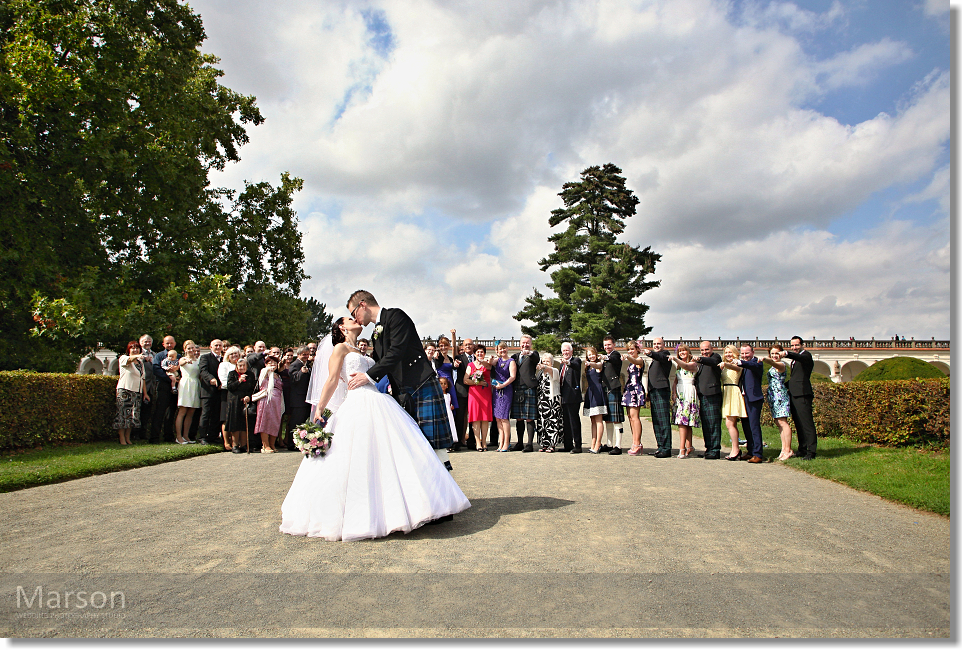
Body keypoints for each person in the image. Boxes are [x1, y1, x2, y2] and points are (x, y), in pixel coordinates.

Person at [280, 317, 470, 540]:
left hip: (380, 401)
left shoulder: (363, 352)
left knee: (394, 455)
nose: (356, 320)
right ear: (342, 327)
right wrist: (320, 409)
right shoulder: (340, 348)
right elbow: (332, 379)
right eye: (350, 319)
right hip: (357, 403)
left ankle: (402, 508)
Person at [346, 290, 456, 476]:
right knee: (413, 443)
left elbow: (396, 351)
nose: (355, 319)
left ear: (363, 305)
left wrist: (368, 376)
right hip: (402, 392)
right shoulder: (376, 332)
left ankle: (447, 491)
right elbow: (380, 360)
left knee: (432, 440)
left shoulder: (395, 316)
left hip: (421, 384)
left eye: (353, 313)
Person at [785, 336, 818, 460]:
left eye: (796, 345)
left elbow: (799, 357)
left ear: (803, 345)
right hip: (794, 393)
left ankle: (811, 451)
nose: (794, 348)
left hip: (803, 394)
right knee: (798, 423)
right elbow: (795, 378)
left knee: (807, 423)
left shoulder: (806, 356)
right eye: (792, 346)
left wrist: (787, 354)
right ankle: (802, 448)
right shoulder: (794, 360)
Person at [641, 337, 673, 458]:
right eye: (654, 344)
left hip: (661, 390)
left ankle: (667, 448)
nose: (656, 345)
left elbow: (660, 357)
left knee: (663, 420)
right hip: (654, 391)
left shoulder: (665, 354)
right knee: (656, 420)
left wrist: (649, 353)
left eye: (659, 344)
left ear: (663, 345)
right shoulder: (655, 359)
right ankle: (660, 446)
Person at [734, 344, 764, 463]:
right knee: (746, 426)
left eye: (747, 353)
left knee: (754, 426)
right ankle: (751, 451)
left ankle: (758, 453)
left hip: (754, 399)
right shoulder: (745, 364)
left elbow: (752, 365)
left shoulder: (757, 362)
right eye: (743, 353)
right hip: (745, 398)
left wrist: (741, 362)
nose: (745, 356)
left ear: (753, 352)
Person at [763, 345, 794, 460]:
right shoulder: (774, 366)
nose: (775, 355)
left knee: (783, 422)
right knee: (778, 422)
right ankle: (784, 448)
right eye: (772, 353)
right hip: (773, 396)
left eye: (777, 353)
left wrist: (766, 360)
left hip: (780, 395)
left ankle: (788, 449)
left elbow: (775, 364)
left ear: (781, 354)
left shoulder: (781, 364)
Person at [693, 341, 723, 460]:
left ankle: (715, 450)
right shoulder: (703, 363)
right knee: (706, 424)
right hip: (703, 395)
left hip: (712, 395)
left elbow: (713, 362)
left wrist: (700, 359)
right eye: (702, 350)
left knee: (713, 423)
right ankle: (709, 448)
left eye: (707, 350)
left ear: (712, 349)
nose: (704, 352)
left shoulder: (715, 357)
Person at [510, 335, 540, 452]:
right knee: (518, 418)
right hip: (517, 388)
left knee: (529, 418)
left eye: (527, 343)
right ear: (519, 344)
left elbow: (536, 358)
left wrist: (530, 353)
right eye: (523, 343)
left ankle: (529, 444)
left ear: (531, 344)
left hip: (529, 388)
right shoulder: (515, 357)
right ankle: (520, 442)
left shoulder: (533, 355)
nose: (525, 345)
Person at [114, 341, 148, 445]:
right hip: (125, 390)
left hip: (136, 392)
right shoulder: (123, 358)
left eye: (137, 348)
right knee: (123, 415)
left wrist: (145, 393)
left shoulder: (140, 363)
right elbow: (129, 360)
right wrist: (138, 355)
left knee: (132, 416)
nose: (135, 350)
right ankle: (122, 438)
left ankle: (128, 438)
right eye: (132, 348)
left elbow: (143, 379)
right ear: (128, 350)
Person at [669, 344, 700, 459]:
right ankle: (689, 446)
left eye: (683, 351)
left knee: (683, 421)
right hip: (680, 393)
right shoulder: (678, 367)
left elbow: (686, 366)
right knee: (684, 422)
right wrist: (674, 393)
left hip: (689, 392)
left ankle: (682, 449)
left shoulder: (692, 363)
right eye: (679, 351)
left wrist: (675, 359)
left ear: (688, 352)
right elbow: (675, 381)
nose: (681, 353)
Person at [719, 345, 747, 460]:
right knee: (730, 423)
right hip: (726, 391)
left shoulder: (737, 364)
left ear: (735, 353)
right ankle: (735, 448)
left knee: (730, 423)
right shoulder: (725, 366)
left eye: (730, 352)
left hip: (733, 391)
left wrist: (725, 364)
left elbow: (736, 369)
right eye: (726, 352)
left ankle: (736, 449)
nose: (728, 354)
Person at [465, 344, 494, 451]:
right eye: (478, 352)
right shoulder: (470, 365)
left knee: (485, 418)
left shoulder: (487, 365)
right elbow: (465, 380)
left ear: (484, 353)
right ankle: (478, 442)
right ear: (475, 354)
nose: (480, 354)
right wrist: (477, 382)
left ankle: (484, 442)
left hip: (485, 393)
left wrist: (485, 361)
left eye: (482, 352)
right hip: (474, 394)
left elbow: (490, 365)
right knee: (476, 418)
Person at [600, 336, 625, 455]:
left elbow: (614, 359)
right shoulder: (606, 358)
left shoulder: (615, 355)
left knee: (616, 418)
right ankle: (609, 444)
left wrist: (605, 357)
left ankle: (618, 445)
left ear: (614, 344)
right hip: (606, 388)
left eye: (609, 345)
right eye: (605, 345)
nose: (607, 347)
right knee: (608, 419)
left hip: (613, 388)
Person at [254, 355, 285, 453]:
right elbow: (260, 382)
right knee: (265, 421)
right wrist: (268, 369)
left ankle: (272, 444)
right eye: (270, 362)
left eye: (275, 363)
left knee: (275, 422)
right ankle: (265, 445)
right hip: (266, 401)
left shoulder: (278, 375)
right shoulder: (264, 372)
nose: (272, 365)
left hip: (277, 401)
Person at [151, 335, 178, 443]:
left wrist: (177, 378)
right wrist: (169, 378)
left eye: (171, 343)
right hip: (163, 385)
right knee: (160, 412)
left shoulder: (178, 355)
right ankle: (154, 437)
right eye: (167, 343)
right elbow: (156, 369)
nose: (170, 345)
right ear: (163, 344)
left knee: (171, 413)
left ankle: (169, 436)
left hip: (175, 387)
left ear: (175, 343)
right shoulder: (159, 356)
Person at [173, 340, 201, 444]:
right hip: (186, 384)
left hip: (195, 384)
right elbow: (181, 363)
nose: (191, 350)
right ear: (185, 349)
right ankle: (178, 436)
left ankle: (186, 435)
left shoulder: (198, 360)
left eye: (193, 348)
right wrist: (186, 361)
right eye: (189, 348)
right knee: (183, 411)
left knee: (191, 412)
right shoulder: (183, 359)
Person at [225, 355, 255, 453]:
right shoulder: (232, 374)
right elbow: (230, 387)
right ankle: (235, 445)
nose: (242, 368)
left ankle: (243, 445)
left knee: (244, 424)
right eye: (239, 366)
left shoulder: (250, 374)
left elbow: (252, 388)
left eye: (243, 365)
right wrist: (239, 381)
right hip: (234, 401)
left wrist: (249, 396)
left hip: (245, 401)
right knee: (235, 424)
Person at [621, 340, 647, 456]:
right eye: (629, 349)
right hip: (629, 389)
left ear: (637, 349)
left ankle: (638, 443)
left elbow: (635, 360)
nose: (630, 351)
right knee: (630, 417)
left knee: (635, 417)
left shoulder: (639, 360)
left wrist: (628, 357)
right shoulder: (631, 362)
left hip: (636, 389)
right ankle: (634, 442)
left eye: (632, 349)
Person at [490, 342, 516, 452]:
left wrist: (503, 385)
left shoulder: (511, 361)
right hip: (497, 391)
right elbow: (490, 363)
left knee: (504, 418)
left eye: (504, 348)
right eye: (500, 349)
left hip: (506, 391)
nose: (502, 351)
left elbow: (512, 377)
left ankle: (507, 443)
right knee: (498, 418)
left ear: (507, 349)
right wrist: (491, 359)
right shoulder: (498, 360)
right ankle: (500, 442)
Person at [286, 346, 313, 452]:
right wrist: (301, 372)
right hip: (297, 399)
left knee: (303, 422)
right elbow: (293, 380)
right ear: (299, 354)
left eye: (307, 354)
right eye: (304, 354)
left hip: (305, 398)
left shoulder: (307, 364)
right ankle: (291, 444)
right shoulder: (295, 365)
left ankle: (301, 442)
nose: (306, 356)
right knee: (295, 422)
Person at [197, 339, 224, 446]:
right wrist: (211, 379)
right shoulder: (205, 357)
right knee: (206, 413)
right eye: (215, 345)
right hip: (207, 390)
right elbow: (203, 371)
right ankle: (202, 436)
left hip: (220, 391)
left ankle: (213, 436)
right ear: (210, 346)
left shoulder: (223, 359)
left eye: (219, 345)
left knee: (216, 414)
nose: (218, 347)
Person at [581, 346, 607, 453]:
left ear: (596, 354)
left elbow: (597, 365)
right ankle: (593, 443)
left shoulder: (599, 364)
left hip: (598, 392)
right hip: (590, 392)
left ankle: (598, 443)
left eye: (592, 354)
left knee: (598, 420)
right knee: (592, 421)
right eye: (589, 355)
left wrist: (591, 363)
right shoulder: (588, 367)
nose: (591, 356)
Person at [450, 332, 473, 450]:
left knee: (473, 418)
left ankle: (472, 442)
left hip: (475, 392)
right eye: (466, 345)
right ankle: (458, 441)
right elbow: (454, 363)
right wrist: (455, 364)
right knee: (459, 418)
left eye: (470, 344)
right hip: (461, 391)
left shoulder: (477, 358)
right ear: (463, 347)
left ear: (473, 346)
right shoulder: (459, 358)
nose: (468, 346)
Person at [558, 342, 583, 453]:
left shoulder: (575, 360)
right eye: (563, 351)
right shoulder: (561, 365)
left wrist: (568, 362)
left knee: (574, 421)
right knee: (565, 422)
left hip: (573, 396)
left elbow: (576, 366)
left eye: (567, 350)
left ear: (571, 351)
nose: (565, 352)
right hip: (563, 396)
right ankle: (567, 445)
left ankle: (577, 445)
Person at [536, 353, 563, 452]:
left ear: (552, 362)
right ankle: (544, 444)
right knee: (542, 423)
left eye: (548, 361)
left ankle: (552, 445)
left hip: (552, 402)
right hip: (542, 401)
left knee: (552, 423)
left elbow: (550, 370)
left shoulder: (554, 371)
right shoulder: (540, 373)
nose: (545, 363)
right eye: (544, 361)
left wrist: (545, 366)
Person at [133, 334, 156, 442]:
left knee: (146, 413)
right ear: (140, 342)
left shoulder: (154, 354)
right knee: (136, 411)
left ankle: (143, 434)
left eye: (149, 341)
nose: (147, 343)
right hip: (139, 387)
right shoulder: (137, 353)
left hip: (151, 388)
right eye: (145, 341)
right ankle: (135, 434)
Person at [218, 347, 241, 450]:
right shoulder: (224, 365)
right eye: (232, 354)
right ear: (228, 355)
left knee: (236, 418)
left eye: (236, 353)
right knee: (226, 418)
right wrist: (236, 385)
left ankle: (235, 442)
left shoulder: (241, 364)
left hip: (238, 394)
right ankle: (226, 442)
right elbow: (223, 380)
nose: (234, 355)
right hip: (227, 393)